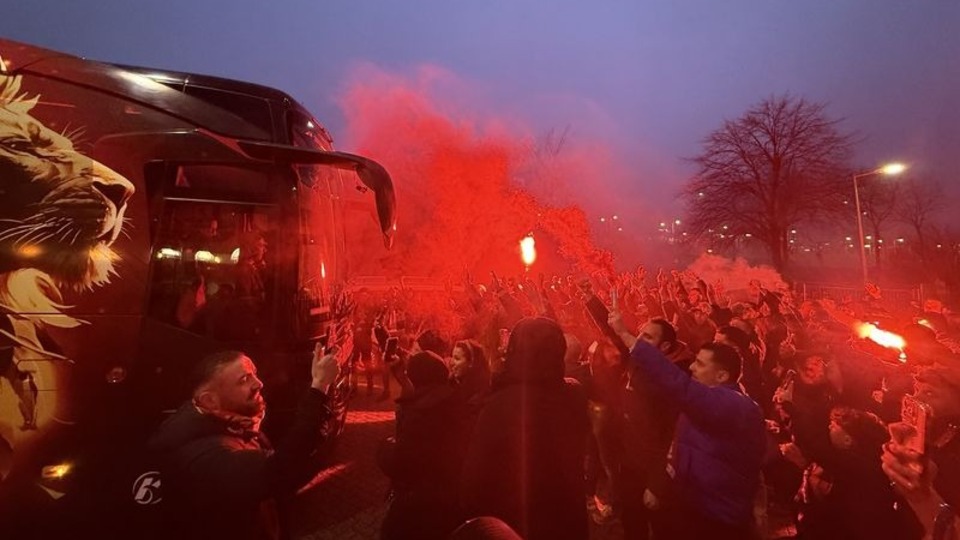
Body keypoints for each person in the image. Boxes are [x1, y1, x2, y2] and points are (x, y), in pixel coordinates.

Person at [149, 347, 338, 540]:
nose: (259, 383)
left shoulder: (227, 422)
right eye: (243, 380)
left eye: (254, 373)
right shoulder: (207, 456)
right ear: (210, 400)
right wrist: (319, 387)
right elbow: (280, 470)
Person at [612, 309, 765, 540]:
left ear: (722, 376)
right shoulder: (699, 406)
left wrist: (627, 335)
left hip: (718, 519)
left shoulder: (736, 405)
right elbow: (677, 448)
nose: (692, 368)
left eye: (700, 364)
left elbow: (678, 385)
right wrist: (662, 484)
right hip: (690, 507)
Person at [461, 317, 589, 540]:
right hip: (564, 515)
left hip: (514, 521)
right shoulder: (573, 396)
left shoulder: (499, 404)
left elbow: (477, 477)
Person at [882, 362, 960, 539]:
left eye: (930, 393)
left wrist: (923, 496)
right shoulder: (922, 444)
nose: (916, 399)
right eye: (916, 390)